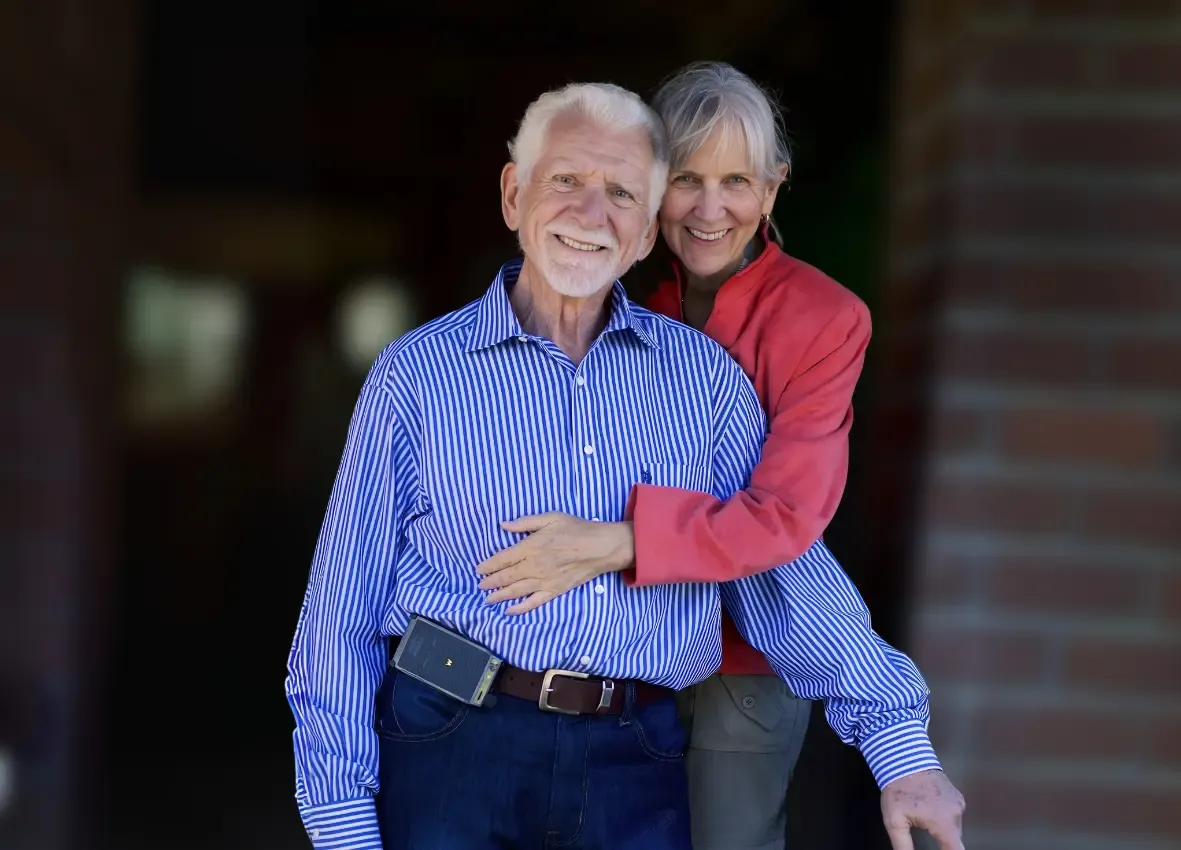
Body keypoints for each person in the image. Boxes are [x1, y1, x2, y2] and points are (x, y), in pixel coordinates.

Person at [286, 80, 960, 850]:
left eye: (619, 193)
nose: (589, 214)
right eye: (566, 180)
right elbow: (339, 615)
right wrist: (340, 820)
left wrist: (902, 753)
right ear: (514, 195)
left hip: (632, 763)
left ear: (646, 233)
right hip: (450, 743)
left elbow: (788, 579)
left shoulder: (704, 383)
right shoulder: (417, 374)